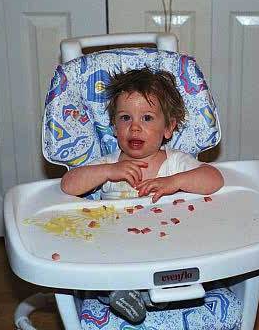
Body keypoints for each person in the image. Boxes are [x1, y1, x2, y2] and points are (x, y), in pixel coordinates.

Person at [61, 67, 224, 323]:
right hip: (118, 248)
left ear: (168, 127)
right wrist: (108, 171)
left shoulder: (175, 163)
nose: (135, 127)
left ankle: (155, 294)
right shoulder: (109, 165)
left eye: (147, 118)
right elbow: (68, 185)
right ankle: (125, 295)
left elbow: (214, 179)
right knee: (99, 269)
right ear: (114, 127)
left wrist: (174, 182)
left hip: (166, 245)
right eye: (125, 118)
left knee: (182, 262)